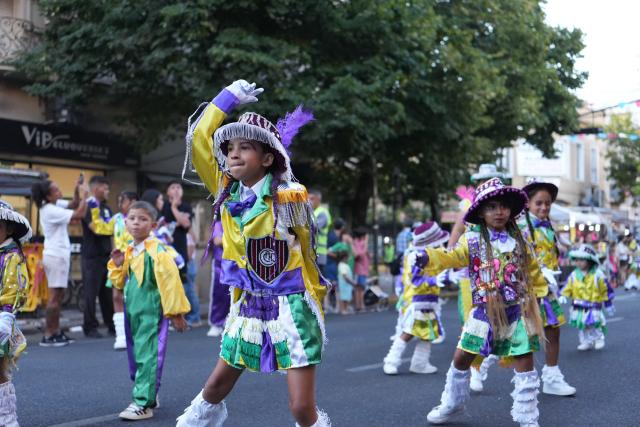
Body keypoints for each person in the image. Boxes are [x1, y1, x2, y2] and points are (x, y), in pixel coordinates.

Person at [176, 79, 330, 427]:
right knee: (213, 388)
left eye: (245, 147)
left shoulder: (289, 195)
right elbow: (199, 139)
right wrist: (227, 98)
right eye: (230, 147)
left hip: (290, 306)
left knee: (301, 409)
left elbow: (307, 255)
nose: (233, 153)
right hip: (247, 304)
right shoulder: (225, 192)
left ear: (268, 157)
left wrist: (317, 296)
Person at [423, 178, 546, 427]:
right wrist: (427, 257)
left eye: (503, 206)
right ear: (480, 211)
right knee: (462, 357)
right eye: (491, 207)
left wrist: (543, 288)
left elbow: (531, 268)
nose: (498, 211)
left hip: (517, 309)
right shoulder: (472, 239)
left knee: (524, 358)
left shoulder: (519, 238)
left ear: (511, 209)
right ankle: (453, 403)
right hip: (484, 310)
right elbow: (453, 256)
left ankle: (527, 417)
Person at [108, 201, 190, 420]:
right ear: (125, 222)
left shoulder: (158, 251)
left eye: (143, 219)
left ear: (153, 225)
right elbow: (118, 282)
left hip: (151, 311)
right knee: (136, 355)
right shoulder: (130, 249)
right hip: (133, 310)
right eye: (132, 218)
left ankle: (144, 403)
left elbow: (171, 282)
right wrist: (117, 264)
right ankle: (148, 391)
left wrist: (176, 313)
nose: (136, 223)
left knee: (148, 355)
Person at [518, 178, 576, 396]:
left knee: (553, 330)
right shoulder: (522, 227)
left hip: (547, 289)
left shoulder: (547, 226)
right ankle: (479, 370)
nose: (544, 207)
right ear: (528, 204)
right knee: (522, 336)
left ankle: (551, 377)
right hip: (526, 290)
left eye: (547, 203)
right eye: (539, 203)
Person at [383, 222, 449, 376]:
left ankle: (420, 363)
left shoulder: (432, 255)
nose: (441, 243)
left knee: (428, 332)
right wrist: (434, 280)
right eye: (438, 241)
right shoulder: (417, 256)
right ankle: (391, 361)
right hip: (416, 301)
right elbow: (415, 280)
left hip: (429, 300)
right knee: (409, 331)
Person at [31, 178, 89, 346]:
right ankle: (49, 335)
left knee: (58, 296)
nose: (59, 192)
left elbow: (73, 204)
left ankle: (55, 332)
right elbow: (79, 214)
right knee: (55, 297)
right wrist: (85, 196)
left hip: (57, 254)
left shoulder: (54, 205)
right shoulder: (50, 209)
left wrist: (77, 189)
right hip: (56, 255)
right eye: (56, 190)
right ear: (48, 196)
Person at [88, 191, 138, 350]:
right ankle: (121, 336)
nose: (120, 204)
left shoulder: (138, 218)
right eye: (119, 201)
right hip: (117, 263)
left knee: (134, 298)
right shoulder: (116, 218)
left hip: (135, 262)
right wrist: (94, 210)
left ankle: (136, 333)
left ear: (132, 201)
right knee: (116, 296)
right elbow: (100, 227)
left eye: (122, 200)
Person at [0, 200, 32, 426]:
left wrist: (6, 317)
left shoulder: (12, 257)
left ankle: (7, 418)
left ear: (9, 228)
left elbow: (15, 290)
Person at [560, 244, 611, 351]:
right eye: (577, 260)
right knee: (582, 325)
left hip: (594, 304)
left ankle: (599, 339)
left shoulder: (598, 274)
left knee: (596, 323)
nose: (578, 262)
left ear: (589, 260)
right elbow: (568, 286)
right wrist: (563, 294)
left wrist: (608, 303)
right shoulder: (574, 274)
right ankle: (586, 341)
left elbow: (605, 288)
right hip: (579, 305)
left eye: (582, 260)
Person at [81, 175, 114, 338]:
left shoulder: (107, 208)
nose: (108, 191)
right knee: (90, 293)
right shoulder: (88, 206)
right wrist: (109, 227)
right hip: (91, 256)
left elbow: (113, 229)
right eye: (105, 188)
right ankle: (90, 326)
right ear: (96, 189)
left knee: (107, 293)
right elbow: (97, 228)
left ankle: (111, 324)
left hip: (106, 256)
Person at [207, 220, 229, 337]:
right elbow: (217, 240)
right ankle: (216, 323)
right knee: (219, 294)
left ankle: (230, 322)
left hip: (238, 263)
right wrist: (236, 239)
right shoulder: (219, 224)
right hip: (220, 265)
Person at [309, 189, 331, 276]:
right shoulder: (314, 212)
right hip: (313, 252)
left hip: (319, 253)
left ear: (318, 199)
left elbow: (313, 227)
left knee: (318, 281)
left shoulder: (322, 213)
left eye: (311, 198)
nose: (308, 201)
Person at [185, 230, 202, 326]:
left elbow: (189, 252)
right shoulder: (188, 234)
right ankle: (192, 317)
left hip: (188, 265)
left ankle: (194, 317)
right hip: (188, 264)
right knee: (188, 291)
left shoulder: (187, 234)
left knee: (190, 291)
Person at [351, 227, 370, 312]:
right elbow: (360, 254)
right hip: (360, 268)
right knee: (360, 288)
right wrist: (366, 243)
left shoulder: (357, 243)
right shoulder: (358, 243)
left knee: (359, 288)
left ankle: (359, 305)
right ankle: (360, 305)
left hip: (363, 268)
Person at [336, 249, 356, 315]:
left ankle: (346, 308)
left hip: (347, 284)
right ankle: (343, 309)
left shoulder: (344, 265)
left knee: (347, 296)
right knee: (343, 297)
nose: (348, 259)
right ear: (344, 258)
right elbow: (345, 276)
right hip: (344, 284)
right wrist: (352, 282)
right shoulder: (342, 265)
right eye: (347, 258)